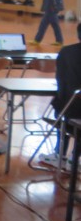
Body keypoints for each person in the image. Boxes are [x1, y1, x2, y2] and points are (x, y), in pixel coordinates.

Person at [38, 23, 81, 168]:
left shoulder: (66, 52)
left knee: (61, 104)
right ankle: (75, 157)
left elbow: (60, 78)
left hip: (69, 108)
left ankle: (60, 153)